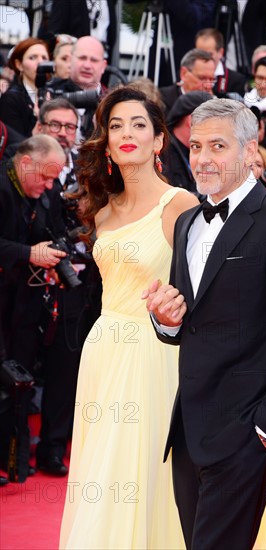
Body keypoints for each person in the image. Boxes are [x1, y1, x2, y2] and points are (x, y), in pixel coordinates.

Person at [143, 98, 266, 549]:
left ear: (250, 151)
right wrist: (166, 321)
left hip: (246, 430)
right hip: (188, 430)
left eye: (218, 146)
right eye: (196, 146)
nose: (203, 158)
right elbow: (188, 322)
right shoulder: (187, 222)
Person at [59, 86, 198, 549]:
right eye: (115, 125)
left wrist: (176, 313)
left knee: (147, 464)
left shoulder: (180, 205)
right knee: (104, 466)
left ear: (159, 140)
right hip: (103, 350)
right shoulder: (102, 209)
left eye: (139, 124)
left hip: (155, 354)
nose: (126, 133)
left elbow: (207, 291)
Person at [34, 98, 101, 476]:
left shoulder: (86, 170)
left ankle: (55, 446)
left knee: (67, 366)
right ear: (40, 126)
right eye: (55, 125)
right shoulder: (22, 163)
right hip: (29, 280)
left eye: (69, 127)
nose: (63, 132)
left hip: (78, 281)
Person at [0, 134, 67, 479]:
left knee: (19, 381)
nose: (49, 185)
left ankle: (14, 460)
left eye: (54, 178)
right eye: (45, 176)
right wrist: (29, 253)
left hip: (23, 306)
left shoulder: (40, 196)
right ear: (25, 163)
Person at [0, 38, 50, 137]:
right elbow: (13, 146)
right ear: (19, 65)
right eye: (32, 58)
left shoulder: (54, 94)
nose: (40, 62)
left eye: (44, 58)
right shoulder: (11, 99)